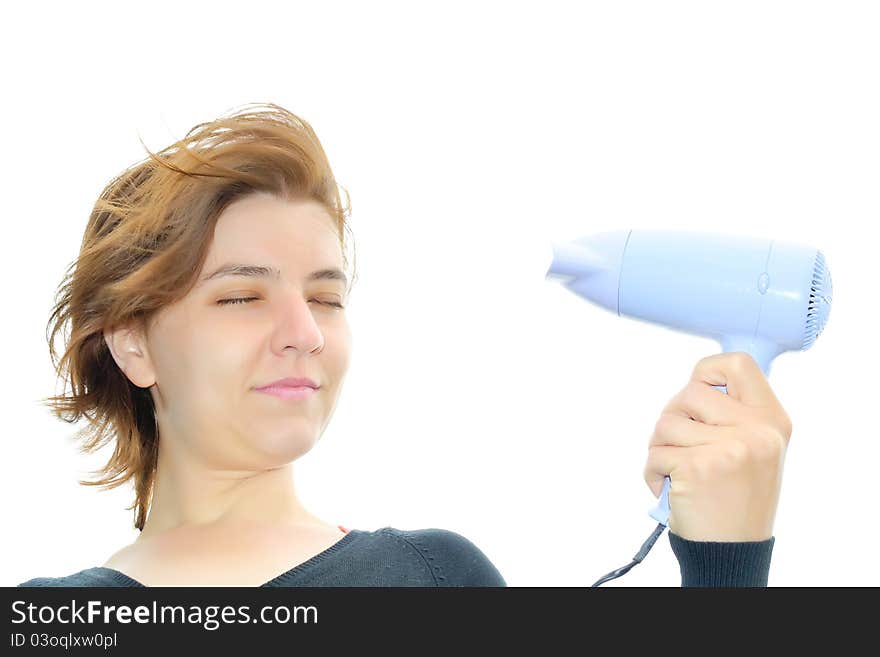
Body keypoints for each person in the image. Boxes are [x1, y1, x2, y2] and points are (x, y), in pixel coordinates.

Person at [17, 103, 786, 588]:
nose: (305, 332)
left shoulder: (430, 578)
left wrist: (726, 560)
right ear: (132, 343)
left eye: (325, 296)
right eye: (243, 296)